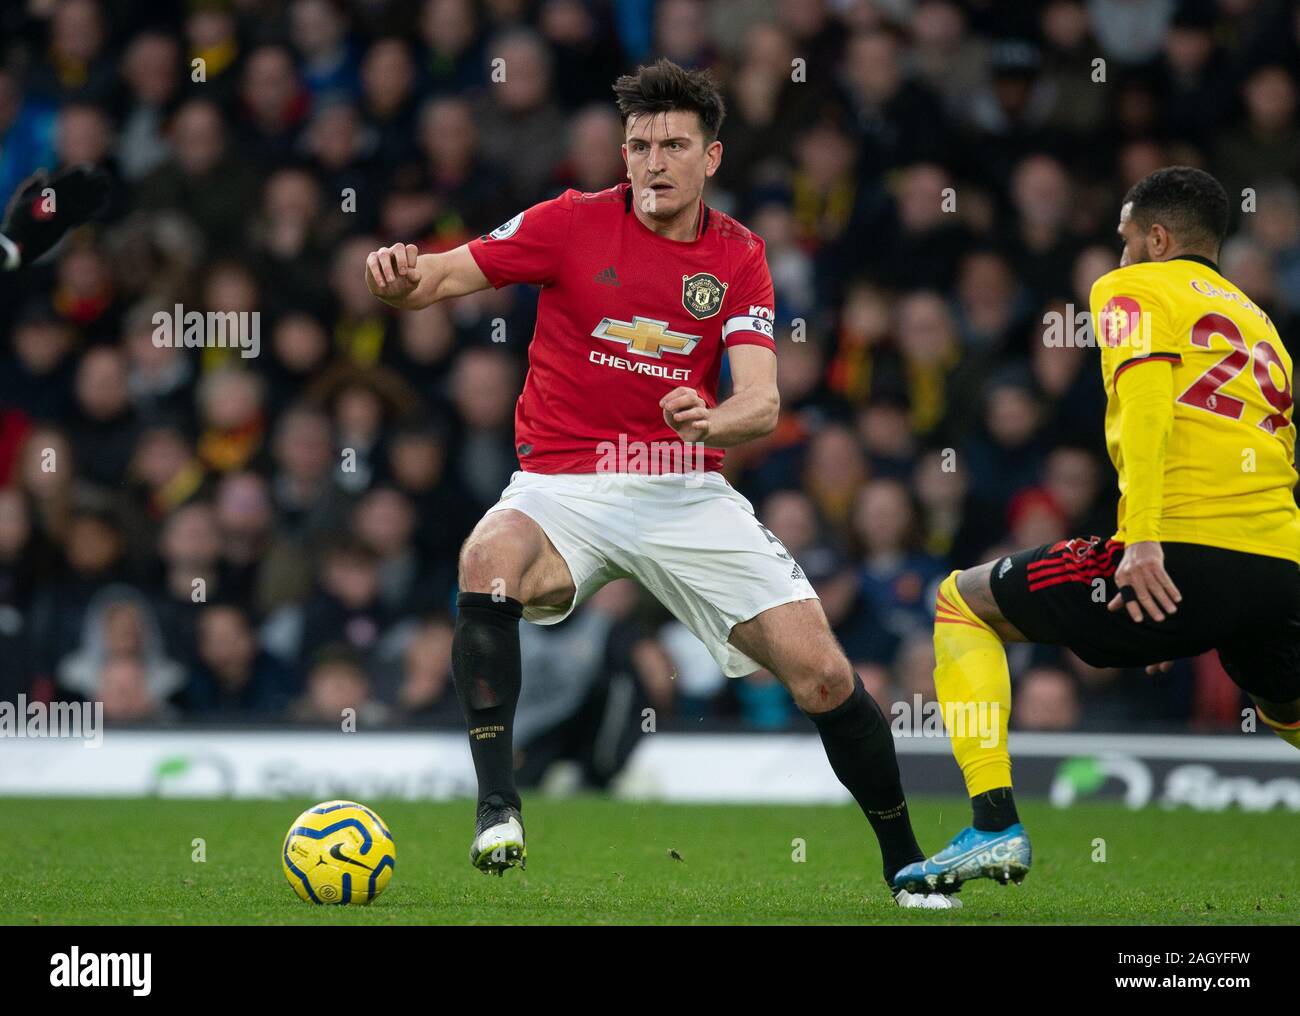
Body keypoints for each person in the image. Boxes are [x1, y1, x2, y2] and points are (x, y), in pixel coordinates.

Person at [365, 58, 957, 910]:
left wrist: (711, 421)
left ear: (710, 157)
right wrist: (397, 277)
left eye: (674, 144)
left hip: (681, 487)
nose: (653, 161)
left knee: (824, 677)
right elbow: (442, 275)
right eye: (639, 144)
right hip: (562, 482)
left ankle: (906, 864)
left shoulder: (739, 257)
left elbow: (762, 400)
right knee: (485, 559)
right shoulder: (567, 222)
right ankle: (498, 806)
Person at [894, 166, 1299, 895]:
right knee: (1284, 704)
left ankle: (992, 827)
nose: (1116, 258)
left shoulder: (1133, 288)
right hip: (1278, 561)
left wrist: (1144, 544)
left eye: (1124, 241)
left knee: (961, 600)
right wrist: (1183, 615)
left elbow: (1148, 412)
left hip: (1179, 543)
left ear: (1158, 238)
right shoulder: (1259, 322)